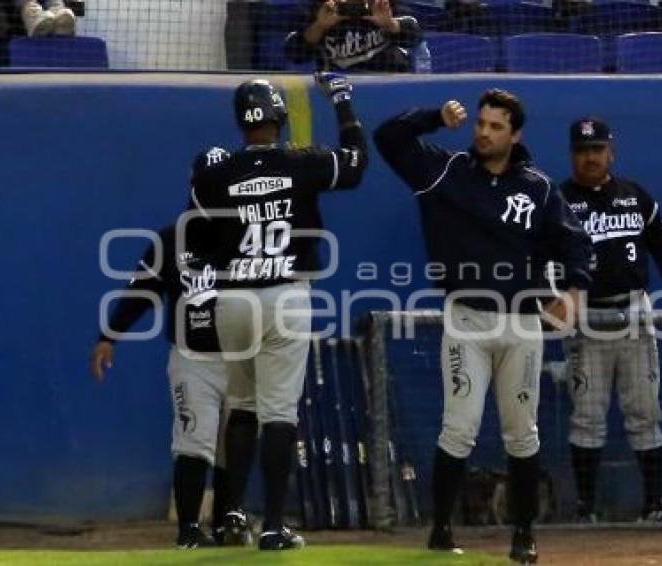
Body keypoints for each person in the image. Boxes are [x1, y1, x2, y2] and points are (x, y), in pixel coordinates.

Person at [374, 90, 592, 564]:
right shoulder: (445, 172)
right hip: (467, 319)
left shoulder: (536, 188)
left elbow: (576, 242)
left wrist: (574, 291)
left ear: (515, 135)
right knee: (459, 428)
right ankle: (441, 530)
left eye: (496, 127)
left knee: (522, 431)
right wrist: (433, 118)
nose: (483, 132)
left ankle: (524, 533)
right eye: (480, 123)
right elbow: (387, 138)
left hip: (522, 323)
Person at [188, 73, 367, 551]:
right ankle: (271, 524)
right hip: (284, 296)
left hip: (230, 298)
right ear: (279, 118)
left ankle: (229, 515)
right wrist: (344, 106)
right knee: (279, 413)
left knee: (242, 407)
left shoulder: (215, 175)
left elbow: (198, 241)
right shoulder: (299, 162)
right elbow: (355, 165)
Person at [90, 167, 258, 549]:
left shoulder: (248, 234)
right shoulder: (170, 239)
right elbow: (141, 291)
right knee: (194, 439)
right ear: (195, 186)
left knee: (233, 445)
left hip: (240, 356)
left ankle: (225, 525)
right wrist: (109, 336)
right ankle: (188, 531)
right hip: (193, 357)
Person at [559, 117, 662, 522]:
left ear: (610, 152)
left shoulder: (634, 196)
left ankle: (653, 505)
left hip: (634, 313)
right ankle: (586, 509)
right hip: (587, 316)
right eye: (582, 151)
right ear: (572, 156)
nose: (590, 158)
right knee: (587, 414)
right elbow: (541, 254)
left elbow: (661, 240)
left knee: (645, 411)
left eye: (597, 150)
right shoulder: (558, 199)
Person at [285, 0, 420, 72]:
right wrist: (320, 26)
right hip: (338, 86)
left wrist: (390, 23)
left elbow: (415, 36)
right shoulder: (319, 8)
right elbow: (294, 54)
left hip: (389, 80)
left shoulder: (382, 4)